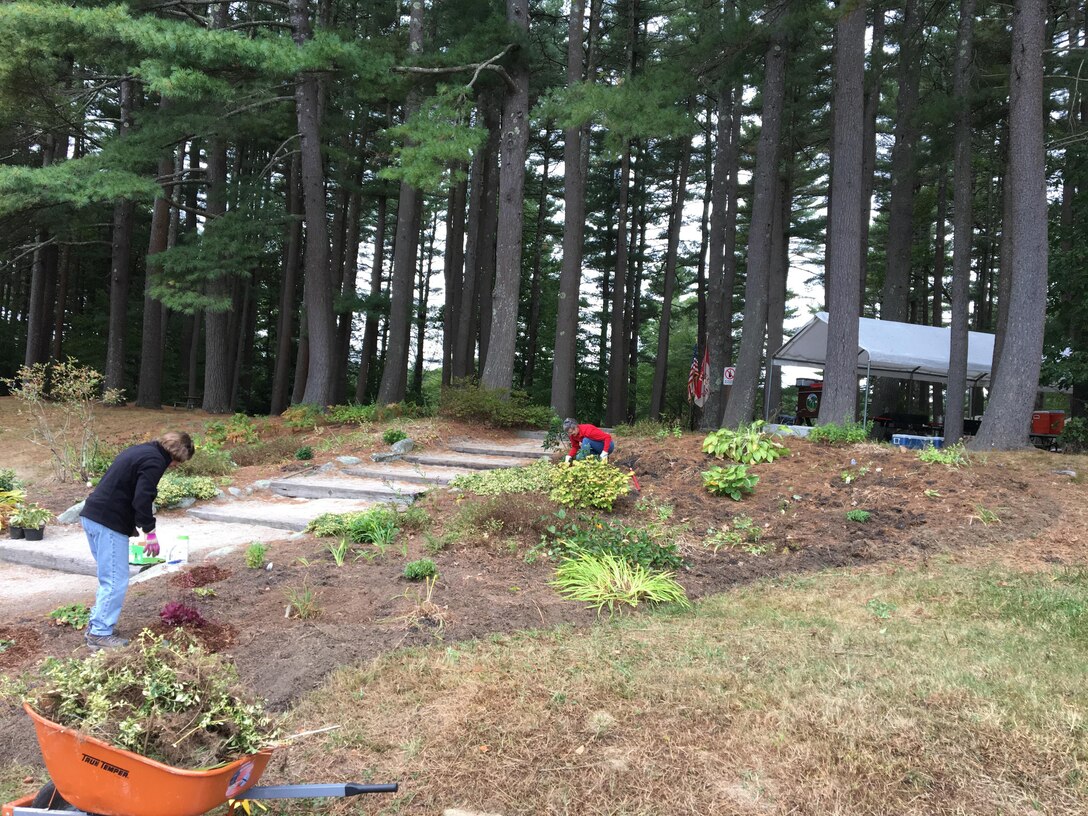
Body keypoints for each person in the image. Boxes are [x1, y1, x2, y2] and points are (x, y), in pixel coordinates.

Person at [79, 431, 195, 650]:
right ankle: (100, 634)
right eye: (178, 463)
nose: (175, 467)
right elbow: (143, 497)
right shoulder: (155, 461)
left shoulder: (141, 450)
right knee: (115, 579)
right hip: (108, 522)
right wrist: (150, 533)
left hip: (92, 516)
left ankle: (97, 625)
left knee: (108, 576)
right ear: (176, 455)